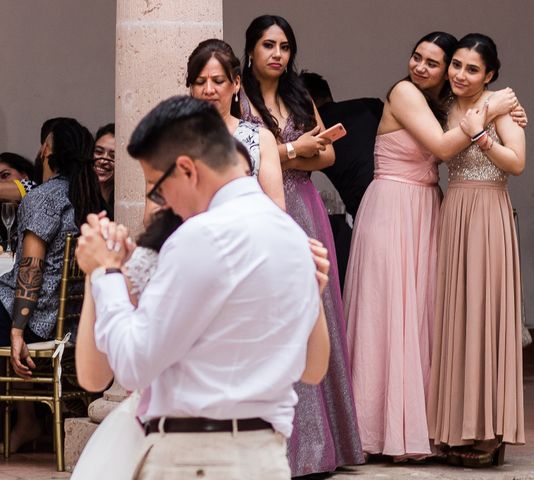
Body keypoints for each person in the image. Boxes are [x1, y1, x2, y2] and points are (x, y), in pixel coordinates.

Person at [74, 95, 330, 478]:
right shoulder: (292, 236)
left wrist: (106, 272)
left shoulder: (202, 235)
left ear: (187, 170)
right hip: (266, 457)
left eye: (158, 188)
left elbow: (131, 366)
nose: (161, 203)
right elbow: (310, 368)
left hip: (197, 459)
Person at [343, 31, 525, 461]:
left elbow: (489, 145)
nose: (421, 67)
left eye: (433, 62)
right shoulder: (405, 92)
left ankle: (426, 427)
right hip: (392, 207)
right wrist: (491, 107)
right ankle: (377, 430)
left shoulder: (443, 106)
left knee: (423, 317)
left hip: (428, 210)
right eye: (417, 57)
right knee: (387, 316)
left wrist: (490, 110)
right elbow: (446, 146)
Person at [239, 14, 363, 476]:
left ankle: (322, 447)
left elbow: (329, 153)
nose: (277, 54)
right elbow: (245, 155)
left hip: (306, 209)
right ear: (250, 49)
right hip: (260, 208)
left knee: (317, 314)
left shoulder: (298, 94)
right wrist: (291, 151)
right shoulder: (238, 96)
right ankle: (274, 447)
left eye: (285, 46)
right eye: (268, 45)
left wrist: (296, 150)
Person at [427, 33, 526, 467]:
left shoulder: (503, 108)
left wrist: (481, 134)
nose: (460, 74)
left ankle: (489, 431)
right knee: (457, 317)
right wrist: (477, 117)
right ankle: (455, 425)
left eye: (472, 69)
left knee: (484, 316)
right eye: (457, 65)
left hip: (488, 211)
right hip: (455, 212)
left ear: (489, 75)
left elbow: (517, 163)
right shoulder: (448, 106)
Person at [0, 118, 102, 452]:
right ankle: (26, 418)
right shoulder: (89, 196)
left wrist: (17, 331)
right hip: (73, 321)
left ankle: (25, 419)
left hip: (39, 323)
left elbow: (31, 269)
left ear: (47, 148)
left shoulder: (43, 198)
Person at [301, 72, 383, 288]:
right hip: (397, 199)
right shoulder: (370, 106)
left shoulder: (317, 135)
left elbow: (299, 179)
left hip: (361, 213)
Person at [187, 38, 285, 210]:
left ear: (236, 83)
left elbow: (277, 211)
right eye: (200, 82)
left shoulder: (261, 139)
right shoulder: (172, 141)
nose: (209, 90)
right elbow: (153, 217)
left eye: (218, 81)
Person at [93, 123, 116, 217]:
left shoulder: (123, 201)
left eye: (113, 156)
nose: (103, 161)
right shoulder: (78, 195)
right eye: (98, 152)